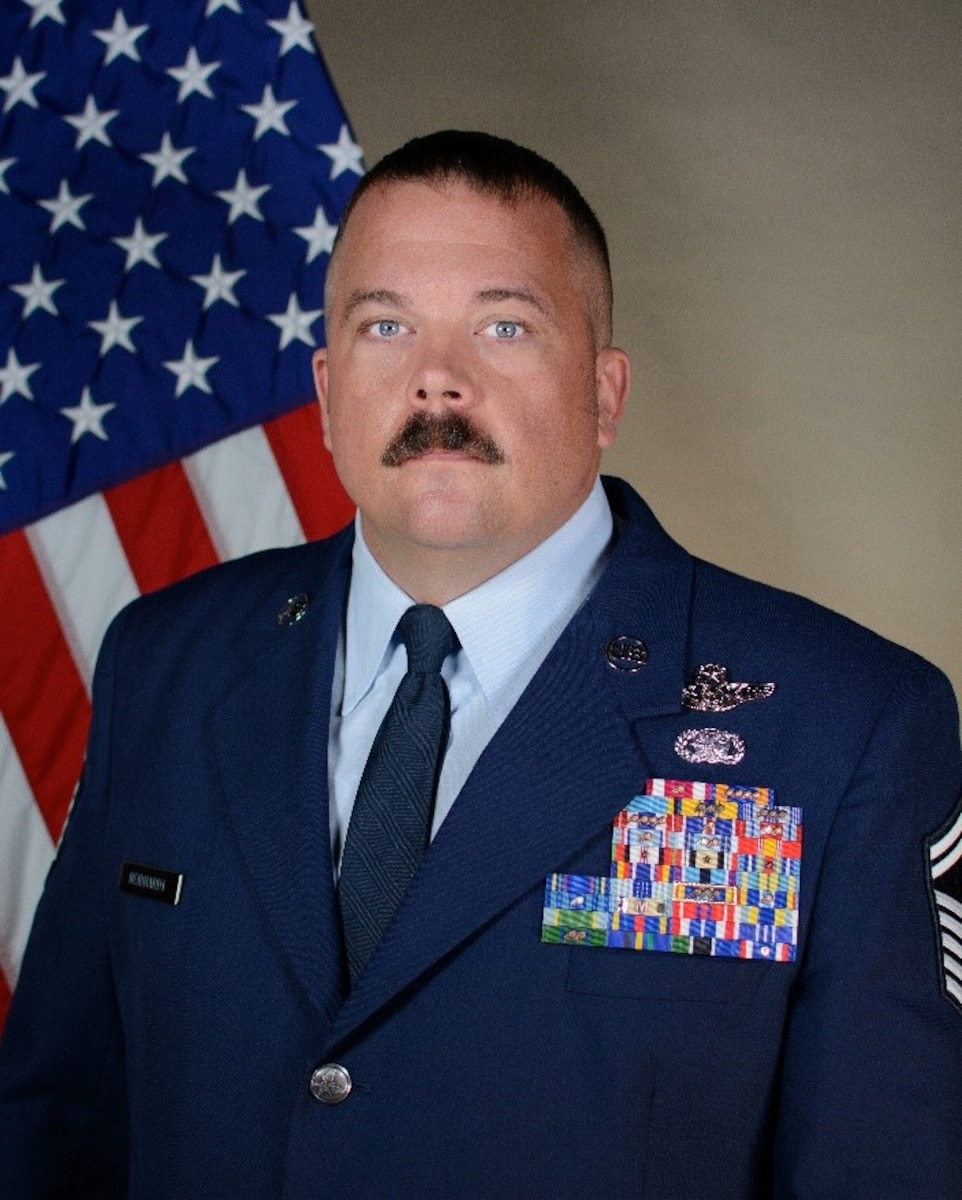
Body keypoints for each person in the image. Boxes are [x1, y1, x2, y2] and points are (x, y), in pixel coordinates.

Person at [1, 130, 960, 1199]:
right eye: (385, 326)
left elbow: (886, 1167)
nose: (437, 383)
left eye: (503, 326)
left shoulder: (840, 727)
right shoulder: (167, 662)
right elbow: (55, 1119)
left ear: (604, 392)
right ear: (324, 392)